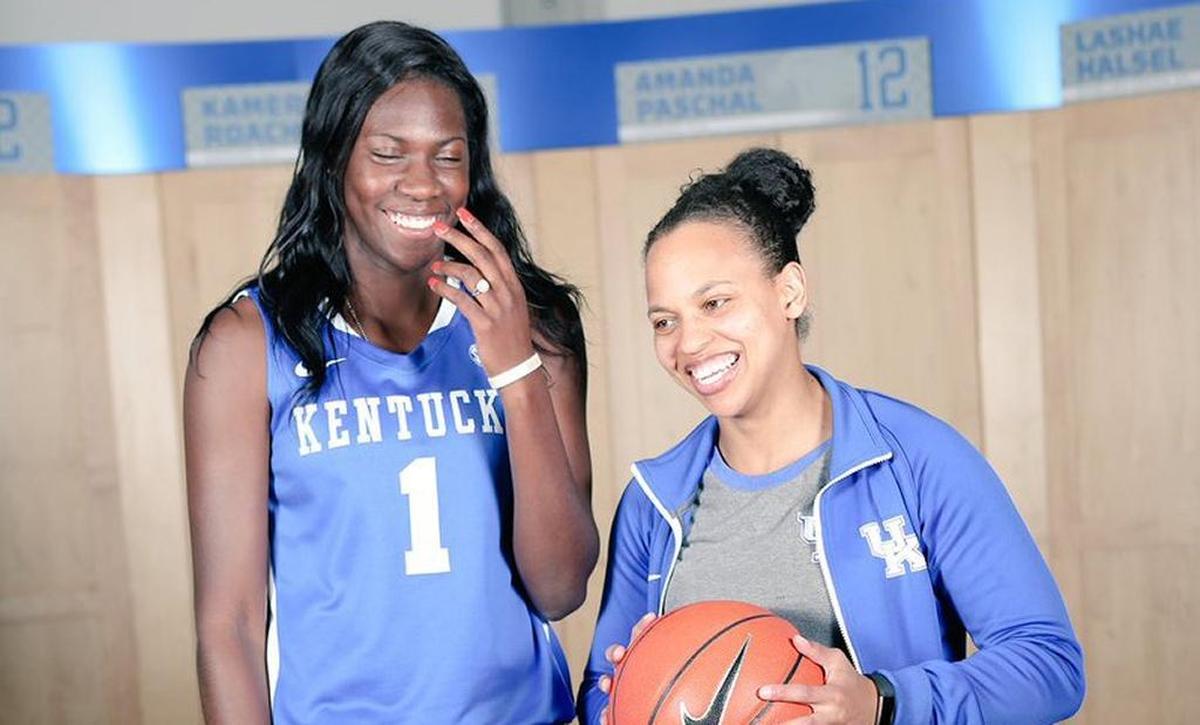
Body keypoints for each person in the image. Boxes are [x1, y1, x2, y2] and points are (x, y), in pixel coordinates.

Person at [577, 148, 1084, 724]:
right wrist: (633, 681)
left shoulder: (917, 461)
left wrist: (882, 703)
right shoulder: (654, 501)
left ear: (790, 291)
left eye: (715, 302)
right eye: (664, 321)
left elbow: (1048, 667)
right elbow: (598, 694)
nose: (688, 344)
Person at [184, 21, 598, 724]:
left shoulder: (536, 325)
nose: (421, 183)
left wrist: (518, 372)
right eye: (386, 153)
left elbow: (559, 587)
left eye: (448, 155)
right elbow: (228, 625)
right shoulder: (247, 345)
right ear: (333, 158)